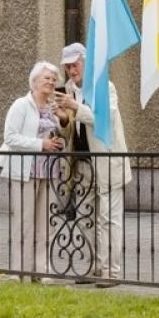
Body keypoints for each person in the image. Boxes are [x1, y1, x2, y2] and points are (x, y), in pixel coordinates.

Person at [57, 42, 131, 280]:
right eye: (67, 66)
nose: (71, 70)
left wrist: (75, 107)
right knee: (85, 217)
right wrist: (64, 120)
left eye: (75, 64)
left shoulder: (105, 87)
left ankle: (112, 271)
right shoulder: (66, 90)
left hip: (107, 161)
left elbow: (104, 119)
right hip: (81, 164)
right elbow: (67, 131)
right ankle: (92, 268)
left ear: (86, 63)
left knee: (109, 218)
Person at [1, 62, 68, 277]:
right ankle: (21, 269)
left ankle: (41, 269)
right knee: (25, 221)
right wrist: (41, 145)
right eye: (46, 78)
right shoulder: (21, 105)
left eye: (53, 79)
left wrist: (58, 141)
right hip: (25, 171)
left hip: (49, 171)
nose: (51, 82)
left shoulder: (52, 109)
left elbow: (60, 137)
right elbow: (10, 137)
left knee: (45, 223)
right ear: (34, 81)